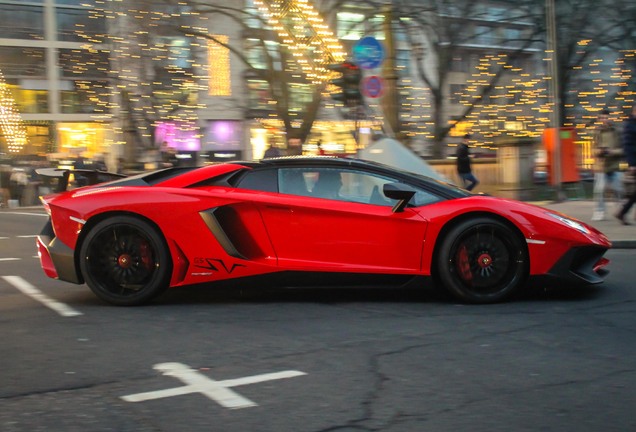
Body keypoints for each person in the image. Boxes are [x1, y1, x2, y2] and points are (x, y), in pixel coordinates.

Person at [591, 109, 623, 221]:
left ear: (609, 118)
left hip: (614, 165)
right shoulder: (596, 132)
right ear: (599, 119)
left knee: (618, 190)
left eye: (606, 117)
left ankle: (621, 210)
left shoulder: (616, 131)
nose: (604, 120)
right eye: (602, 118)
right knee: (599, 190)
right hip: (601, 166)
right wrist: (599, 152)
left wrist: (612, 151)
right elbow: (593, 150)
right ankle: (599, 211)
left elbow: (622, 150)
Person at [615, 104, 636, 225]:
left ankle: (622, 212)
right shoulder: (629, 125)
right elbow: (627, 146)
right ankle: (622, 212)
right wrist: (632, 164)